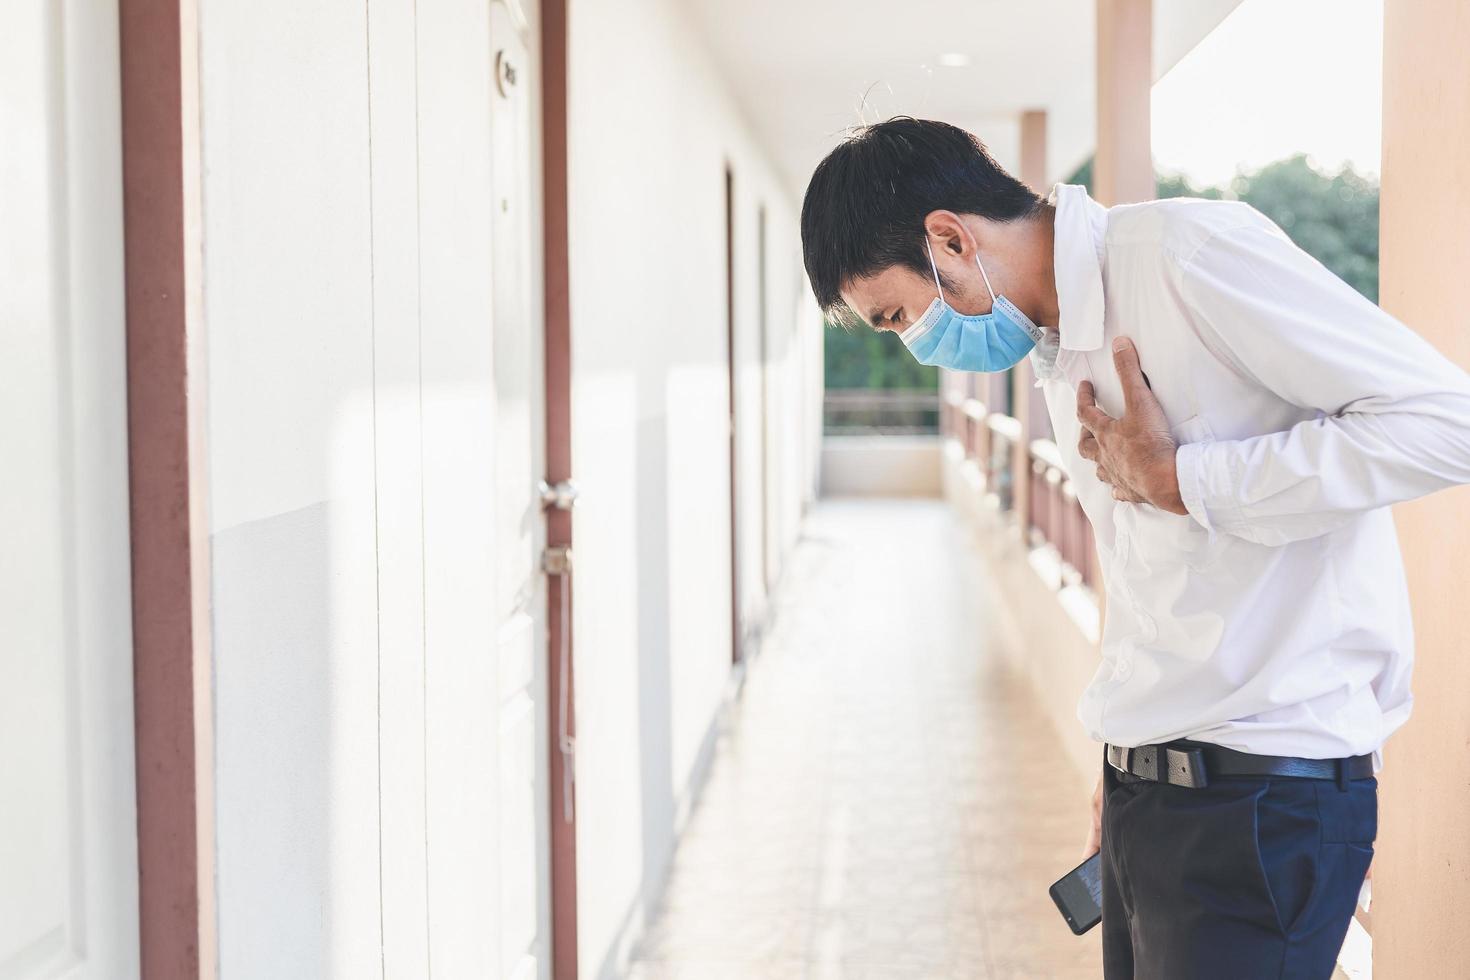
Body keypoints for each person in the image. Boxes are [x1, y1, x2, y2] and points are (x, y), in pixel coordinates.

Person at [798, 116, 1470, 979]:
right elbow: (1153, 576)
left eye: (898, 315)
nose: (916, 343)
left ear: (949, 238)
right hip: (1154, 793)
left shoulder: (1182, 256)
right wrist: (1127, 756)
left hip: (1263, 797)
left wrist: (1187, 480)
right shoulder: (1055, 343)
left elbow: (1447, 424)